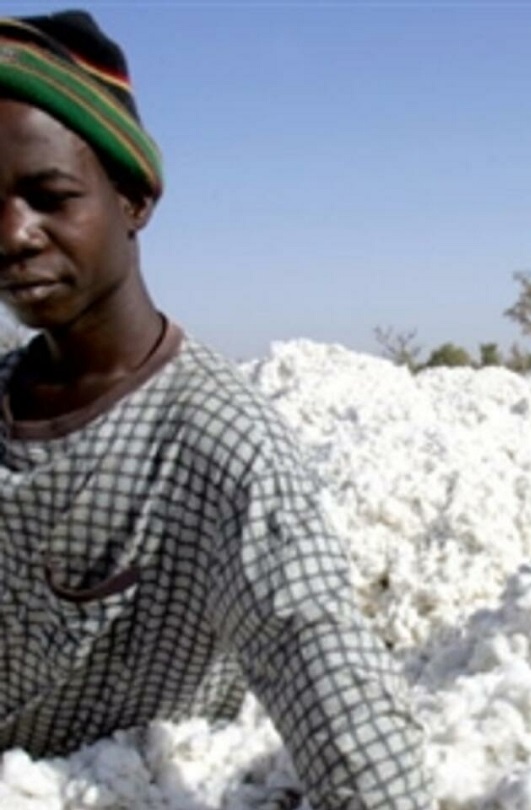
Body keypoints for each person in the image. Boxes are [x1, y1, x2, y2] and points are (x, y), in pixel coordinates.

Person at [0, 10, 431, 809]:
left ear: (132, 199)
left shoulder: (217, 443)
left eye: (49, 197)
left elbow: (315, 655)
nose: (12, 234)